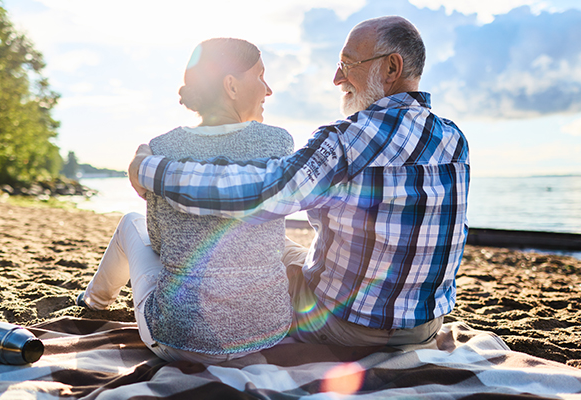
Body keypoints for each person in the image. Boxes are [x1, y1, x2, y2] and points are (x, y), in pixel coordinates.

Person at [130, 16, 470, 348]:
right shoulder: (455, 139)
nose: (338, 78)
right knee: (283, 251)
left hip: (346, 327)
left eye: (348, 64)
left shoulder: (346, 141)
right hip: (425, 327)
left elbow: (257, 194)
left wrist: (152, 170)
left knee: (256, 257)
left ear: (391, 69)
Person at [78, 38, 294, 363]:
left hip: (179, 341)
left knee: (130, 223)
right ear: (231, 86)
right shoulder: (279, 141)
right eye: (261, 75)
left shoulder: (162, 148)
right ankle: (93, 301)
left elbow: (160, 243)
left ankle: (93, 302)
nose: (268, 89)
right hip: (266, 334)